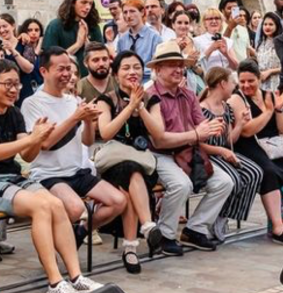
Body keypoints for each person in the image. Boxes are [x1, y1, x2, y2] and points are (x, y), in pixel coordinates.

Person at [0, 59, 103, 293]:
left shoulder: (15, 113)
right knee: (41, 207)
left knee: (56, 205)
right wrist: (32, 139)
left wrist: (38, 139)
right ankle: (54, 282)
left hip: (13, 178)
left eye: (17, 85)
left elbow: (27, 155)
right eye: (7, 84)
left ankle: (76, 276)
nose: (13, 90)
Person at [143, 40, 235, 255]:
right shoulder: (151, 96)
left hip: (187, 151)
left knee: (224, 182)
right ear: (157, 69)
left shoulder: (189, 94)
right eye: (172, 65)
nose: (178, 69)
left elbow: (201, 124)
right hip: (160, 154)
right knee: (181, 184)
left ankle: (194, 229)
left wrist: (206, 128)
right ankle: (165, 235)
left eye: (180, 64)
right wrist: (196, 134)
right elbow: (160, 141)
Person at [22, 48, 127, 233]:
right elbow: (45, 144)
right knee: (76, 208)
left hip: (77, 171)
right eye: (61, 69)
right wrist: (75, 118)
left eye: (69, 69)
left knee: (118, 201)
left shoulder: (72, 101)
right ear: (44, 71)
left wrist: (87, 121)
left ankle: (80, 233)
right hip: (49, 174)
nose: (67, 74)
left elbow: (87, 141)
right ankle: (57, 243)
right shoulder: (32, 103)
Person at [199, 67, 283, 244]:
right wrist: (222, 150)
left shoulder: (226, 109)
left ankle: (224, 215)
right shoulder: (201, 108)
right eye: (234, 83)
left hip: (224, 152)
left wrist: (240, 123)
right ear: (223, 84)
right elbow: (198, 142)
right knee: (235, 177)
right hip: (207, 154)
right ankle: (207, 220)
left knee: (255, 172)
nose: (236, 88)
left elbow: (230, 140)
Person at [91, 50, 161, 273]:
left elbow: (158, 133)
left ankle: (132, 247)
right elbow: (106, 132)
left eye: (137, 67)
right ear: (116, 74)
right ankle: (146, 227)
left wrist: (140, 106)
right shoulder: (106, 100)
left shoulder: (151, 100)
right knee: (130, 172)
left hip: (141, 162)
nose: (132, 72)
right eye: (126, 68)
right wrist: (129, 107)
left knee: (132, 175)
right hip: (113, 163)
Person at [235, 60, 283, 199]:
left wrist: (278, 109)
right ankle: (275, 218)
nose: (246, 85)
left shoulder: (268, 95)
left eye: (250, 81)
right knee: (270, 173)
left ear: (259, 79)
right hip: (250, 145)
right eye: (242, 81)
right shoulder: (237, 98)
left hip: (274, 144)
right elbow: (247, 131)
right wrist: (268, 112)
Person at [42, 0, 104, 73]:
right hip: (64, 79)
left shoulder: (93, 26)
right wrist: (77, 44)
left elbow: (101, 57)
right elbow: (50, 61)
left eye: (90, 3)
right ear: (72, 3)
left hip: (88, 79)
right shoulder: (55, 26)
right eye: (84, 2)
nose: (88, 7)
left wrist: (87, 42)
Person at [115, 0, 162, 75]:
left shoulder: (154, 38)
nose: (128, 16)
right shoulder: (122, 40)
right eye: (125, 12)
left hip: (147, 82)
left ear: (142, 12)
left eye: (132, 11)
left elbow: (157, 66)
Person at [254, 13, 283, 93]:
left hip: (276, 82)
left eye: (271, 24)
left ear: (277, 26)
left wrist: (270, 71)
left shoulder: (281, 43)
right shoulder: (260, 43)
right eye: (265, 24)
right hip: (261, 82)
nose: (267, 27)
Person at [17, 18, 45, 99]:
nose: (33, 33)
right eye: (30, 30)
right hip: (25, 90)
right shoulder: (20, 49)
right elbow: (30, 65)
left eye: (36, 30)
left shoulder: (44, 53)